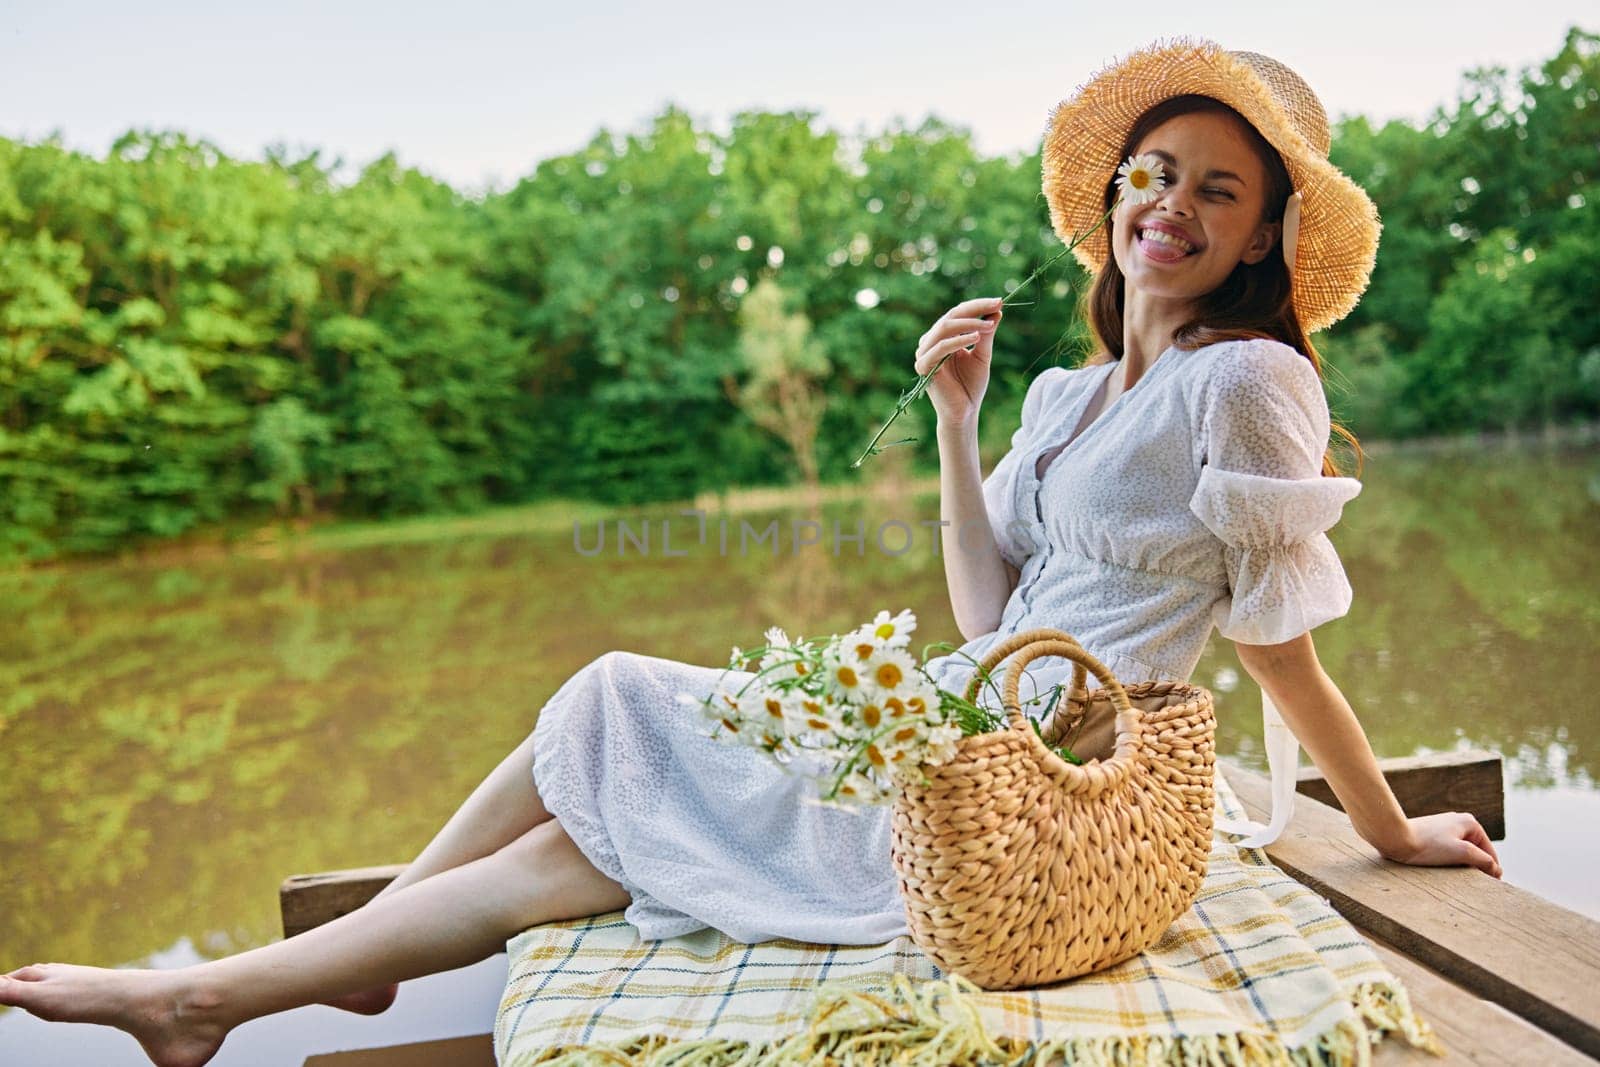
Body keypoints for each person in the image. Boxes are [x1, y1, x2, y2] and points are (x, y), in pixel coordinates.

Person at [0, 38, 1503, 1067]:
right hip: (967, 696)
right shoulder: (1068, 389)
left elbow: (1275, 645)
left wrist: (1383, 832)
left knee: (581, 834)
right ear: (1111, 198)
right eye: (1150, 172)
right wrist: (957, 422)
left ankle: (210, 995)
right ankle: (375, 937)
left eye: (1216, 188)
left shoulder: (1251, 381)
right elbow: (993, 605)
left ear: (1258, 241)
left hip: (1041, 778)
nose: (1168, 202)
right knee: (601, 699)